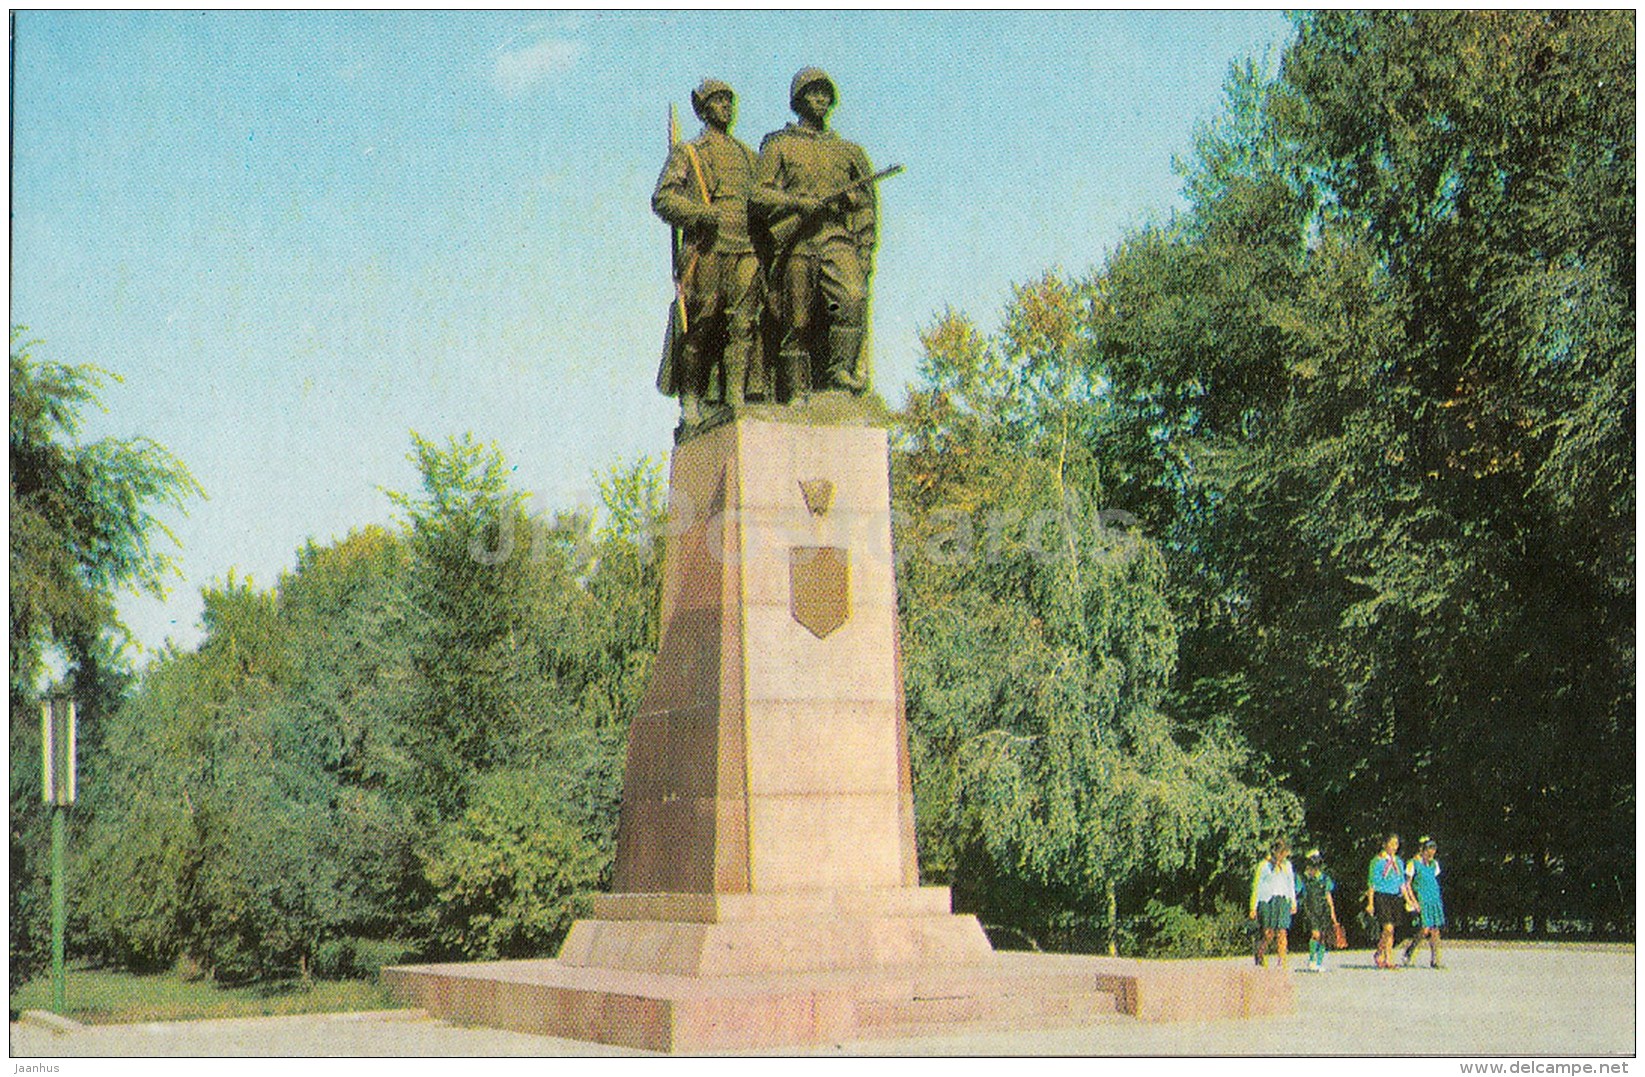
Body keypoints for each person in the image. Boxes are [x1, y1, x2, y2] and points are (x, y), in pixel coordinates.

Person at [751, 67, 878, 399]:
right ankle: (793, 392)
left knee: (853, 296)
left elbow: (866, 205)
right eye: (813, 92)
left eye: (826, 93)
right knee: (797, 319)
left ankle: (839, 374)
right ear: (798, 100)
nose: (821, 98)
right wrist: (797, 203)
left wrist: (864, 250)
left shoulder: (849, 151)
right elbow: (759, 195)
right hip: (797, 242)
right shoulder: (780, 146)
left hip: (836, 237)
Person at [653, 78, 764, 426]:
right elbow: (663, 199)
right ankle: (691, 401)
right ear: (702, 109)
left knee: (743, 324)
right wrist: (700, 213)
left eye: (729, 101)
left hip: (745, 246)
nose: (725, 108)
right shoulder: (689, 152)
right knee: (701, 326)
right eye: (717, 102)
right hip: (707, 249)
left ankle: (735, 397)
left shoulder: (749, 156)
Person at [1366, 832, 1416, 969]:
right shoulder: (1376, 861)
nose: (1395, 847)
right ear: (1385, 844)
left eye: (1397, 844)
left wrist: (1408, 900)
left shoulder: (1398, 862)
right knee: (1387, 927)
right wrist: (1370, 903)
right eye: (1392, 843)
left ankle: (1386, 957)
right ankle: (1381, 953)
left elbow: (1402, 884)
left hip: (1395, 896)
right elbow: (1372, 884)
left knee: (1391, 929)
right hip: (1382, 895)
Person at [1248, 838, 1298, 969]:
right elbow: (1256, 886)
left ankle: (1282, 961)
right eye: (1281, 853)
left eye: (1285, 854)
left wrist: (1293, 901)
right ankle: (1260, 954)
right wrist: (1253, 907)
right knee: (1268, 934)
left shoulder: (1287, 866)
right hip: (1266, 901)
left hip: (1282, 900)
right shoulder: (1264, 865)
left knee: (1282, 932)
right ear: (1275, 852)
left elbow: (1290, 883)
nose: (1283, 857)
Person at [1401, 835, 1446, 968]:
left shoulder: (1434, 864)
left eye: (1433, 849)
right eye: (1428, 849)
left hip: (1433, 898)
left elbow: (1433, 879)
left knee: (1435, 929)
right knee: (1424, 929)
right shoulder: (1413, 863)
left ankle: (1435, 959)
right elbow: (1407, 883)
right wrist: (1413, 901)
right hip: (1421, 898)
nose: (1431, 852)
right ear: (1422, 849)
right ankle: (1411, 950)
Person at [1295, 848, 1340, 972]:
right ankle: (1312, 958)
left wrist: (1333, 915)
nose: (1314, 869)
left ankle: (1319, 961)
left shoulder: (1325, 879)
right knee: (1316, 934)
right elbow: (1297, 891)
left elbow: (1328, 897)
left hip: (1323, 910)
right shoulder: (1303, 879)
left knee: (1323, 936)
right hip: (1310, 910)